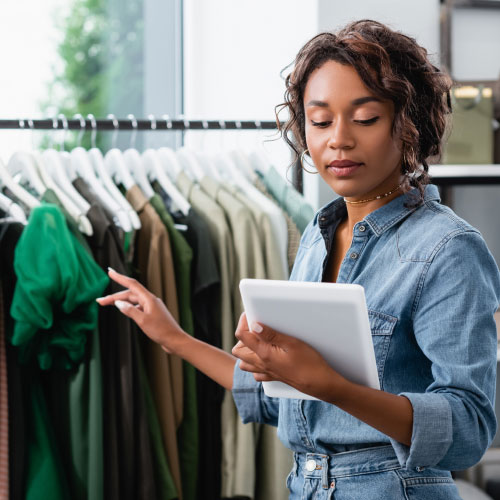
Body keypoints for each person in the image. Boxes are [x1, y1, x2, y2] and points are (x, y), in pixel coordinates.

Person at [97, 20, 500, 500]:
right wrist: (173, 338)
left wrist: (333, 386)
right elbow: (282, 397)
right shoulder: (317, 236)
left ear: (409, 121)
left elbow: (469, 428)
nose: (339, 140)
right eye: (321, 120)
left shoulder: (447, 248)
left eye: (366, 118)